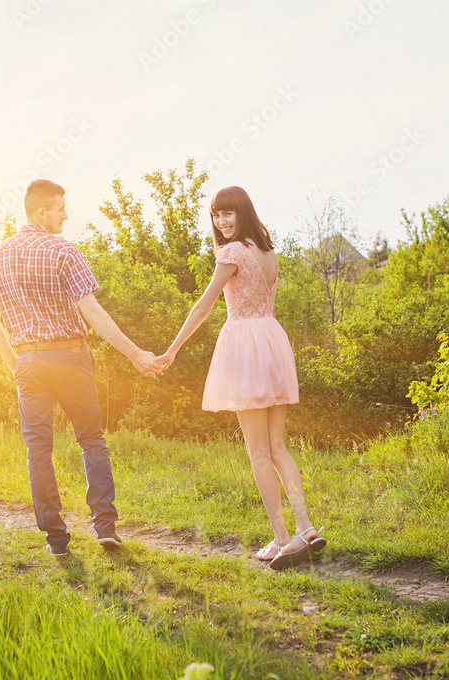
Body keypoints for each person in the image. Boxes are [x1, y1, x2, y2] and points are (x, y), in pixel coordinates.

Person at [0, 179, 163, 556]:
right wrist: (135, 354)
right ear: (41, 212)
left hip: (29, 361)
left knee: (38, 450)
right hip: (71, 356)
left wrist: (18, 366)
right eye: (61, 208)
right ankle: (105, 527)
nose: (66, 214)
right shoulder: (64, 251)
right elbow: (92, 312)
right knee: (91, 440)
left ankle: (56, 539)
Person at [157, 186, 326, 571]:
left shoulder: (231, 252)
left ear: (243, 212)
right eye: (216, 215)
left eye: (229, 213)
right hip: (271, 340)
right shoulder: (266, 250)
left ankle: (284, 538)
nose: (222, 221)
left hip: (246, 346)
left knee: (260, 452)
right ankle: (306, 527)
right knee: (278, 446)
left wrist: (173, 349)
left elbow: (204, 306)